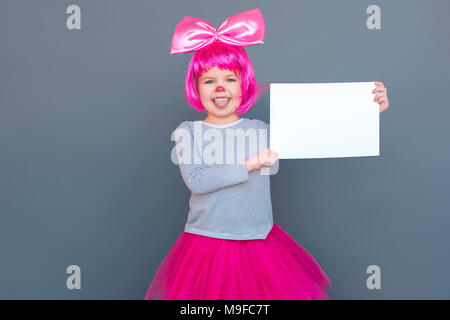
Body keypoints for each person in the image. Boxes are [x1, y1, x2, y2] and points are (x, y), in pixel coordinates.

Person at [144, 8, 389, 300]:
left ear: (243, 84)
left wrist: (366, 113)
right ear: (196, 87)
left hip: (259, 244)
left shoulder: (263, 130)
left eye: (230, 79)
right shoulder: (188, 132)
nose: (220, 87)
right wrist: (251, 163)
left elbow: (316, 141)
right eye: (209, 81)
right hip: (207, 245)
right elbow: (198, 181)